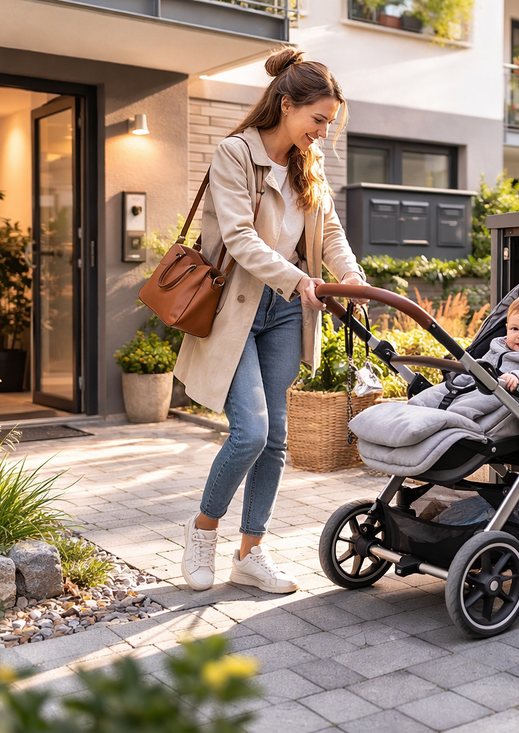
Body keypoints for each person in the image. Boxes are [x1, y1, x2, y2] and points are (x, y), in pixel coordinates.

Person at [173, 49, 366, 594]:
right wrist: (297, 277)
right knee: (251, 432)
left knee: (276, 437)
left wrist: (351, 282)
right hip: (237, 308)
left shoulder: (311, 165)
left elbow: (329, 235)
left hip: (287, 312)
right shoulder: (235, 153)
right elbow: (238, 236)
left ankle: (250, 554)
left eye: (329, 122)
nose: (323, 133)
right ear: (286, 105)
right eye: (318, 120)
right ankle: (202, 531)